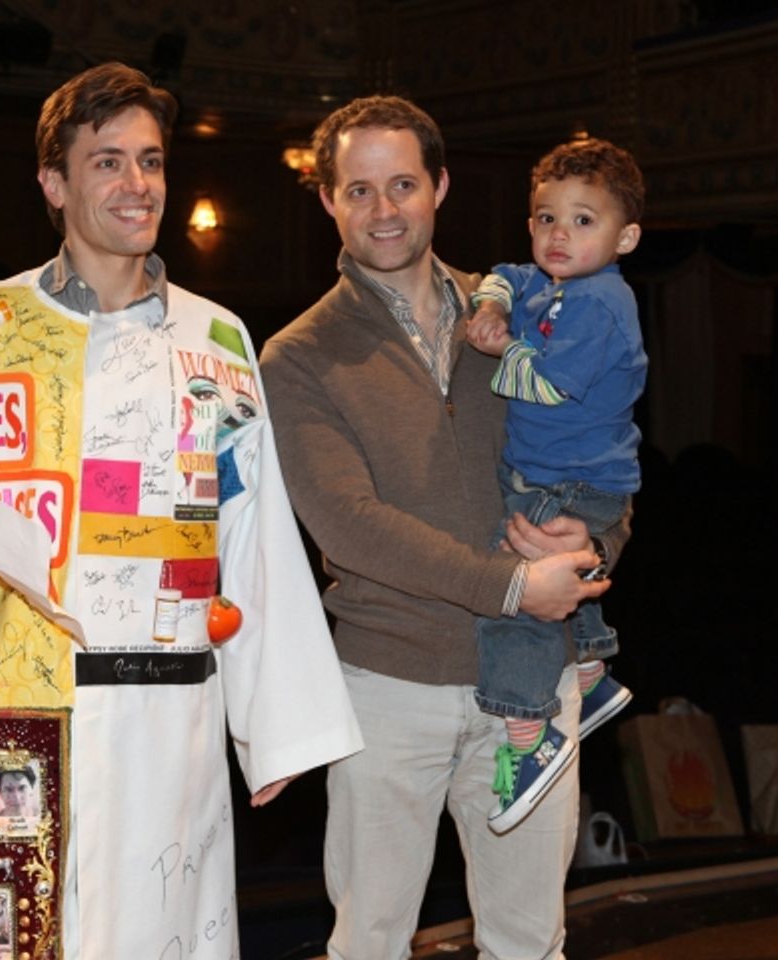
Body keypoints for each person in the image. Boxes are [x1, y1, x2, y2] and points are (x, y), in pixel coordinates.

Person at [0, 62, 362, 960]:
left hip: (161, 716)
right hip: (5, 708)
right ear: (55, 184)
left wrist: (276, 723)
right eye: (107, 162)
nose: (137, 185)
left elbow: (252, 531)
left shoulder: (214, 339)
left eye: (150, 161)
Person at [259, 95, 628, 960]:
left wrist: (592, 550)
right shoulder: (297, 356)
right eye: (358, 190)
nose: (383, 211)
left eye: (402, 185)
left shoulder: (533, 316)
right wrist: (513, 586)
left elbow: (603, 446)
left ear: (441, 187)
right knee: (370, 943)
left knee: (530, 942)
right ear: (327, 202)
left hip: (535, 688)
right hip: (389, 693)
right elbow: (351, 527)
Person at [465, 137, 647, 833]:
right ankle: (593, 679)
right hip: (568, 475)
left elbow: (546, 382)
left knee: (515, 594)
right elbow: (506, 272)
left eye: (582, 221)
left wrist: (497, 346)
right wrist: (492, 297)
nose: (557, 235)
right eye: (545, 218)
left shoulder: (601, 303)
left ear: (625, 236)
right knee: (545, 573)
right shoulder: (554, 280)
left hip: (571, 481)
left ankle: (529, 737)